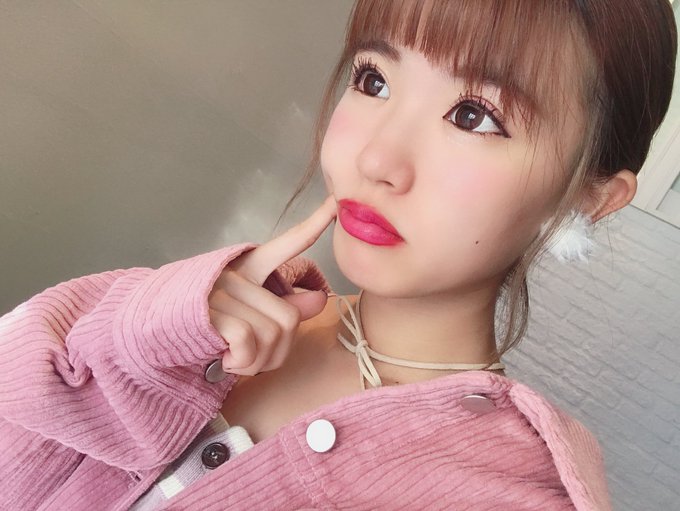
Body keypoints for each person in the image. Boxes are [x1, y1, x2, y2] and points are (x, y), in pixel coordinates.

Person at [0, 0, 676, 509]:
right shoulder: (202, 313)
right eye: (373, 79)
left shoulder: (510, 491)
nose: (376, 158)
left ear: (587, 198)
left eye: (473, 115)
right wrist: (144, 338)